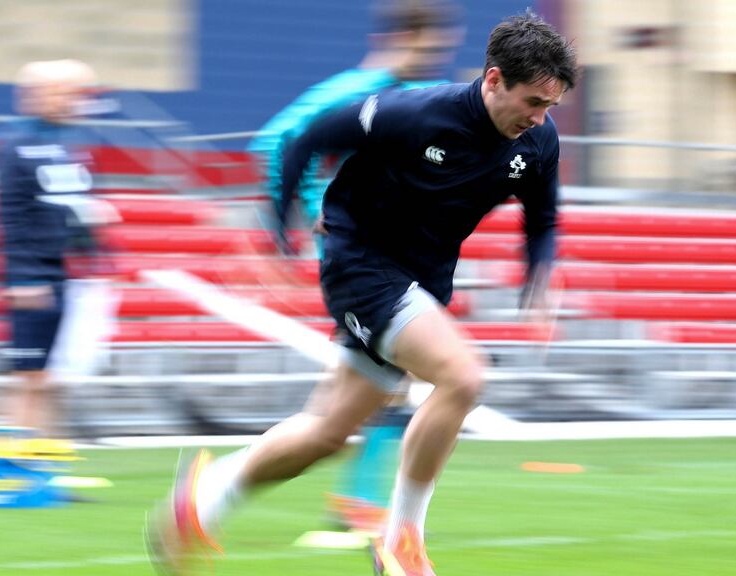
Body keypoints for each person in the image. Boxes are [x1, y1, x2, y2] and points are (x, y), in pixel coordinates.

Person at [146, 11, 577, 576]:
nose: (540, 118)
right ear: (494, 79)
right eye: (532, 102)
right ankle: (402, 541)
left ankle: (203, 500)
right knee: (465, 376)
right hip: (361, 267)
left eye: (550, 106)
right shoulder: (415, 112)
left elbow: (542, 220)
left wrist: (538, 276)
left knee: (326, 432)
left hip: (421, 282)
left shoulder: (538, 142)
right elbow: (303, 140)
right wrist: (280, 230)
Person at [245, 0, 463, 532]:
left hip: (389, 257)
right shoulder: (356, 88)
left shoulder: (405, 96)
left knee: (371, 393)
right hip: (357, 261)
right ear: (409, 37)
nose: (439, 56)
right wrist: (291, 222)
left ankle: (353, 501)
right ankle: (355, 502)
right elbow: (277, 141)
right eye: (435, 46)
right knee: (372, 392)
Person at [0, 59, 117, 436]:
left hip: (69, 276)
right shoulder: (13, 147)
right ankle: (8, 466)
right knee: (28, 376)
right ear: (39, 95)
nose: (76, 102)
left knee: (53, 379)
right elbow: (9, 217)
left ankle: (43, 466)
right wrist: (23, 278)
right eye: (67, 93)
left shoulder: (68, 147)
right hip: (35, 278)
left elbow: (70, 208)